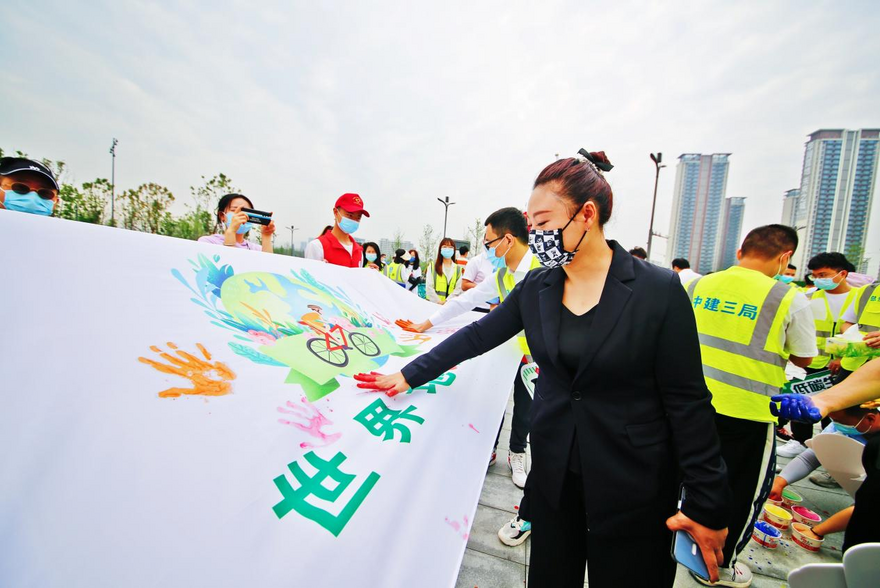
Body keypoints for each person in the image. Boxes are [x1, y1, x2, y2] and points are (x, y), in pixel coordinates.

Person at [359, 151, 730, 587]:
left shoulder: (657, 290)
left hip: (633, 481)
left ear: (586, 215)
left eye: (543, 222)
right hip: (555, 473)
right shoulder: (538, 286)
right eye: (530, 225)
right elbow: (478, 335)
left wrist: (707, 504)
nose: (534, 235)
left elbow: (688, 402)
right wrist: (408, 374)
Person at [683, 224, 816, 587]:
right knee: (740, 490)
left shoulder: (697, 285)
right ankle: (719, 566)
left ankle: (678, 536)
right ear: (785, 257)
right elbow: (804, 358)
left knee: (682, 473)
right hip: (749, 411)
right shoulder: (789, 298)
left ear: (740, 252)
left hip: (689, 403)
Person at [399, 207, 542, 491]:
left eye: (489, 243)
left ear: (508, 240)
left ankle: (517, 454)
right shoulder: (503, 276)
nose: (487, 250)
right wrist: (426, 323)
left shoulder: (543, 269)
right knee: (498, 403)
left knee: (526, 410)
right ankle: (489, 451)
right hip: (509, 350)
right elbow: (468, 299)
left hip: (537, 357)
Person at [771, 358, 880, 553]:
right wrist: (780, 482)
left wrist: (818, 530)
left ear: (870, 418)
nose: (837, 426)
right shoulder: (852, 420)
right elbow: (812, 456)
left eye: (839, 421)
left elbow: (871, 504)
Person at [778, 253, 858, 461]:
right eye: (814, 276)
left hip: (846, 364)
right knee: (804, 399)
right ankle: (799, 440)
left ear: (842, 274)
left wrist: (844, 357)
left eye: (823, 274)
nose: (818, 279)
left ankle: (830, 446)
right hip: (813, 361)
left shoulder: (858, 298)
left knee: (837, 406)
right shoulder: (810, 297)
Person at [304, 193, 369, 267]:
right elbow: (309, 276)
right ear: (335, 212)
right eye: (350, 215)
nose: (354, 220)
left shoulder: (359, 251)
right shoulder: (317, 246)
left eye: (358, 217)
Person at [197, 193, 276, 252]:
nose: (241, 214)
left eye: (247, 211)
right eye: (234, 210)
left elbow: (267, 267)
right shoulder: (208, 242)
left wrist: (266, 236)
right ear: (222, 215)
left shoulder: (256, 249)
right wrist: (231, 231)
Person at [426, 238, 463, 304]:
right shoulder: (432, 266)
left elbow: (458, 289)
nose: (447, 249)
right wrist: (438, 302)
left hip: (449, 305)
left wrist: (446, 301)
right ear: (440, 249)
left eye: (450, 247)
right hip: (433, 304)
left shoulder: (458, 269)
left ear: (454, 250)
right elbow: (429, 287)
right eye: (445, 247)